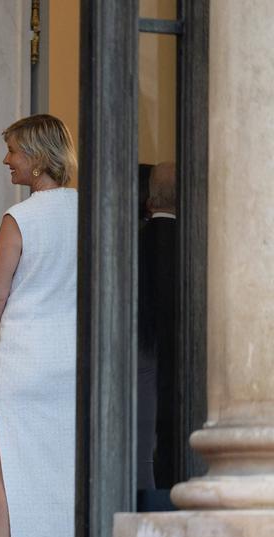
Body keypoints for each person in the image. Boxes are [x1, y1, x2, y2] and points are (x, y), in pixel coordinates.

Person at [0, 114, 78, 537]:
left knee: (5, 475)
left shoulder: (19, 217)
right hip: (73, 360)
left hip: (21, 358)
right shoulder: (91, 214)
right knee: (76, 473)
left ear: (36, 158)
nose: (7, 159)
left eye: (13, 150)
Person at [138, 161, 178, 502]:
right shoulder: (200, 244)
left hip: (143, 358)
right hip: (183, 362)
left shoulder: (133, 244)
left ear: (150, 200)